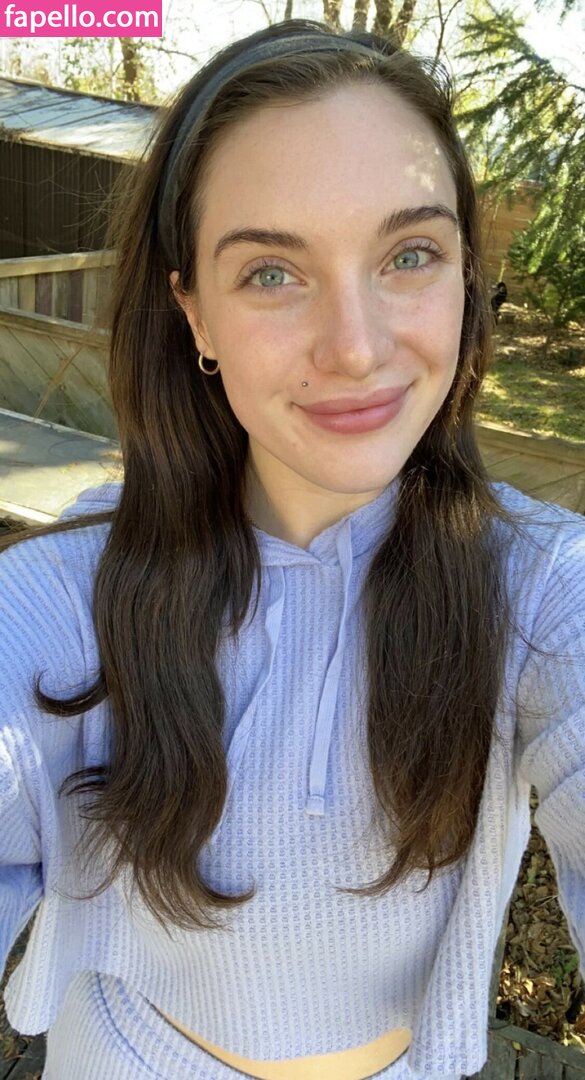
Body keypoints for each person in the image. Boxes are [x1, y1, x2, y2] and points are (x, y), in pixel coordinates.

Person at [0, 17, 584, 1080]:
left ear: (465, 274)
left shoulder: (540, 591)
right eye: (272, 272)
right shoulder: (60, 597)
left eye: (410, 254)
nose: (355, 347)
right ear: (194, 315)